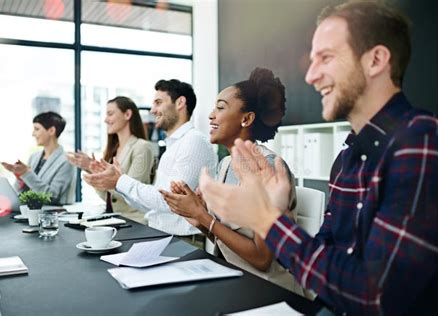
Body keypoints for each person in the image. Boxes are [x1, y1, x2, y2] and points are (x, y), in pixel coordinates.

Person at [198, 2, 438, 315]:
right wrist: (274, 214)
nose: (310, 76)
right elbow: (327, 256)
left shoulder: (424, 142)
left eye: (326, 58)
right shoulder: (347, 158)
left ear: (376, 60)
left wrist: (267, 220)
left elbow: (376, 298)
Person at [160, 68, 300, 292]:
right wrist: (196, 213)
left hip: (268, 290)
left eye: (221, 107)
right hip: (232, 279)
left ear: (246, 118)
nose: (211, 115)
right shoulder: (225, 165)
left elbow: (262, 258)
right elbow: (225, 237)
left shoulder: (269, 168)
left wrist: (204, 217)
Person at [83, 79, 216, 242]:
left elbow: (167, 200)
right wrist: (118, 184)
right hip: (165, 237)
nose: (152, 110)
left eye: (158, 103)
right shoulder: (175, 145)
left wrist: (120, 181)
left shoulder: (193, 141)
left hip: (184, 240)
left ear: (180, 102)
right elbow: (151, 204)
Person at [67, 96, 154, 223]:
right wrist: (93, 172)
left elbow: (133, 193)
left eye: (110, 114)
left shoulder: (142, 147)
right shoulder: (113, 150)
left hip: (134, 221)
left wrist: (101, 176)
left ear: (127, 114)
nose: (105, 120)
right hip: (113, 218)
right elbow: (108, 198)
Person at [2, 111, 75, 205]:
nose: (33, 134)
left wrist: (26, 173)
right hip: (31, 213)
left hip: (54, 216)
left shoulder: (67, 161)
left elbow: (52, 197)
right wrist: (20, 177)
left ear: (51, 131)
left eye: (37, 129)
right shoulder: (34, 157)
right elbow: (22, 194)